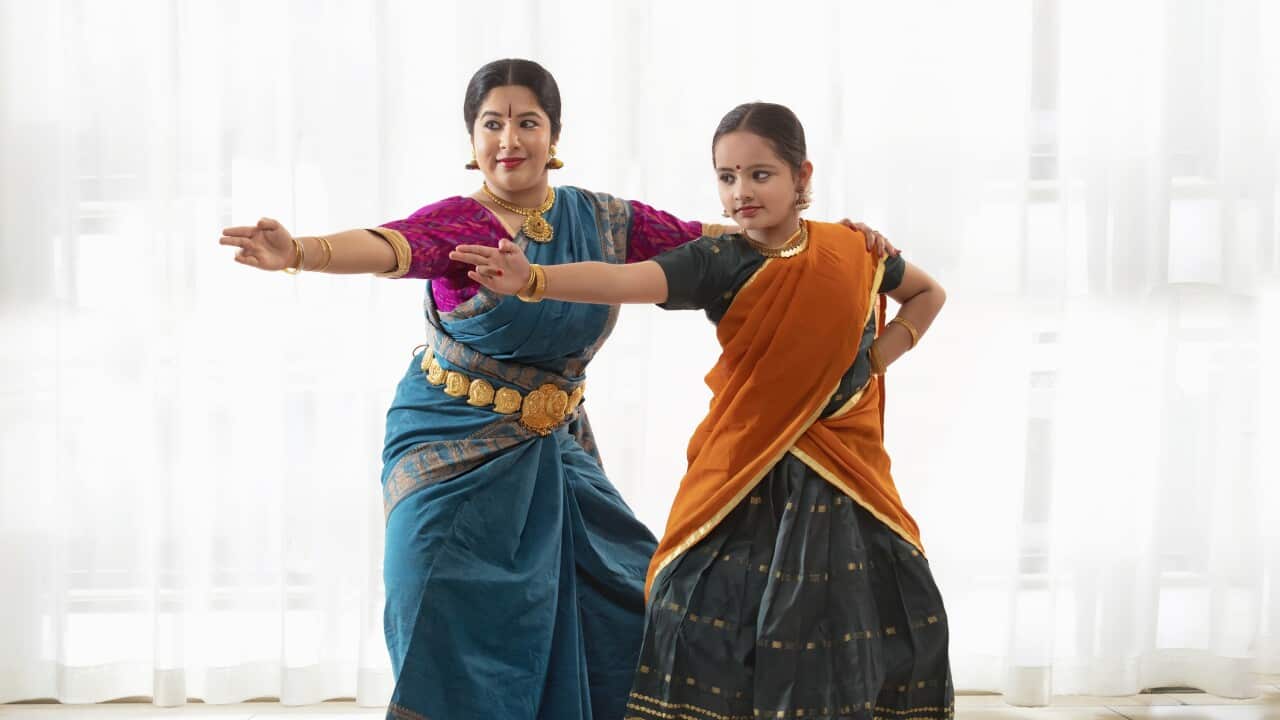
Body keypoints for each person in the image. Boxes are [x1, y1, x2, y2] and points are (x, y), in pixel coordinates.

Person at [220, 59, 894, 720]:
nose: (509, 140)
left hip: (554, 451)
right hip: (448, 448)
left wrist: (838, 243)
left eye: (526, 122)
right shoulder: (460, 224)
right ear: (472, 140)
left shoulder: (602, 220)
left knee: (635, 599)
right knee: (432, 600)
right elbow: (388, 245)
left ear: (554, 136)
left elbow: (726, 243)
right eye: (492, 124)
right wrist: (300, 252)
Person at [451, 101, 952, 720]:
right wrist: (535, 281)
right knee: (700, 612)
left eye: (760, 174)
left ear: (802, 175)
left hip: (846, 474)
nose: (741, 191)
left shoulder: (853, 250)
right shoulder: (717, 260)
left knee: (858, 622)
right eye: (727, 176)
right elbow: (623, 279)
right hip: (743, 473)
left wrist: (877, 359)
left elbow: (927, 294)